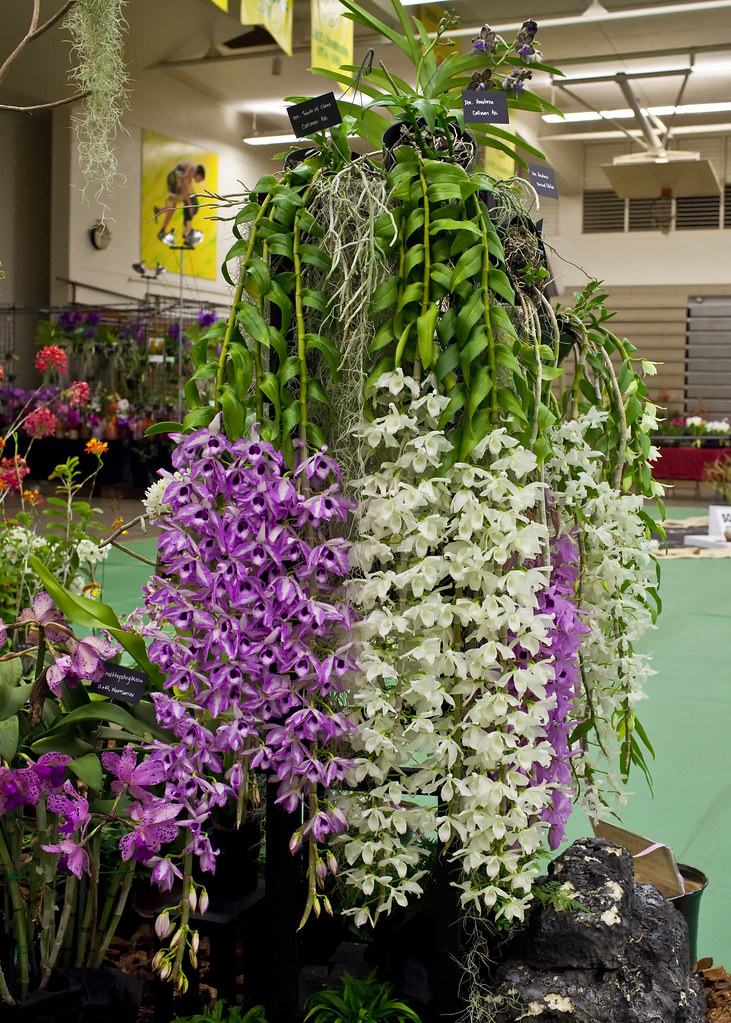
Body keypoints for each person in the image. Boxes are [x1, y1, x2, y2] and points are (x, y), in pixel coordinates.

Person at [153, 161, 205, 246]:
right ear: (199, 174)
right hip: (174, 179)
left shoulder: (189, 175)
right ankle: (162, 226)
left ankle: (159, 211)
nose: (199, 181)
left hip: (175, 179)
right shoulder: (192, 169)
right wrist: (189, 204)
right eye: (200, 178)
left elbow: (185, 187)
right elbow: (184, 187)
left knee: (173, 207)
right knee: (174, 205)